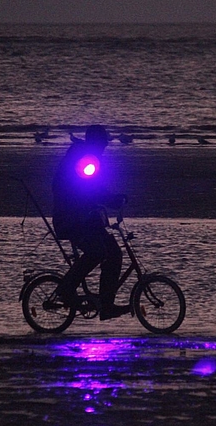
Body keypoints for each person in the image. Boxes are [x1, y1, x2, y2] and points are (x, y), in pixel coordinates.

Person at [52, 125, 130, 321]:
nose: (105, 146)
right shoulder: (83, 158)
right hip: (72, 220)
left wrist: (111, 199)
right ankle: (66, 288)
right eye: (103, 142)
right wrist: (110, 200)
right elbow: (87, 190)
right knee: (97, 252)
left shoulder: (88, 158)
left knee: (114, 253)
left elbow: (94, 189)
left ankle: (106, 304)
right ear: (95, 142)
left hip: (87, 220)